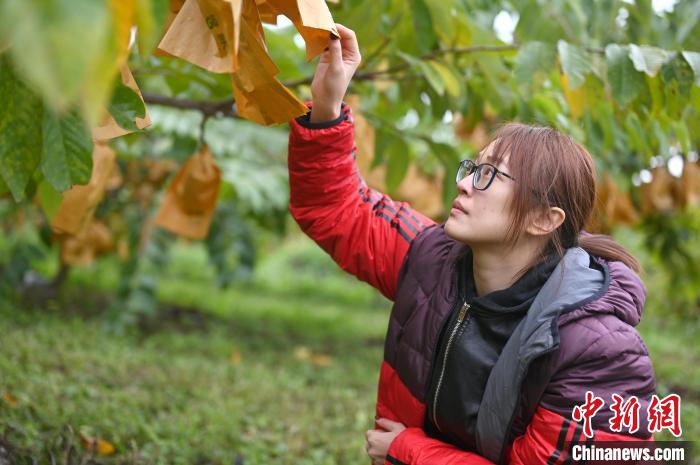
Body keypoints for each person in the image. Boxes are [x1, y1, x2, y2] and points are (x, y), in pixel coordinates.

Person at [287, 24, 657, 465]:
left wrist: (409, 450)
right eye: (471, 167)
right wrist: (328, 105)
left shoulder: (599, 351)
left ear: (544, 219)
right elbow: (339, 211)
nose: (463, 184)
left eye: (488, 176)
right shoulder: (431, 260)